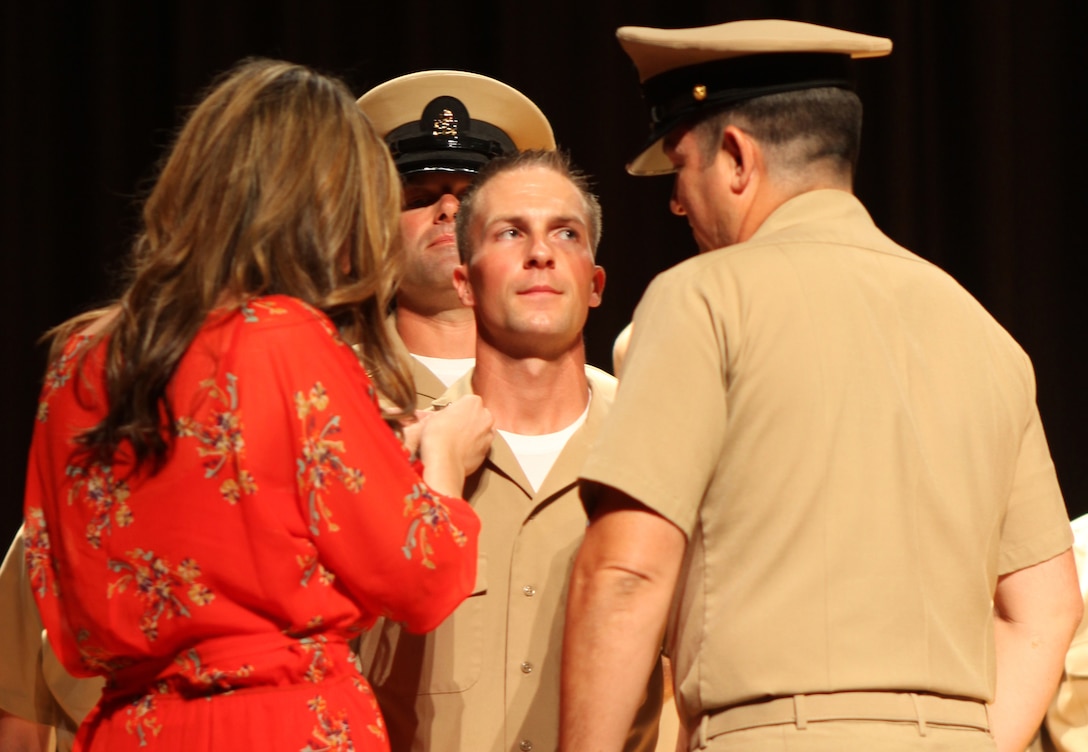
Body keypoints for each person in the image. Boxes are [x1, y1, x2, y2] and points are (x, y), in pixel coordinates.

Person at [560, 19, 1081, 752]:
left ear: (736, 158)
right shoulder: (987, 334)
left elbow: (626, 570)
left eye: (680, 171)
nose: (679, 203)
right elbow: (1046, 609)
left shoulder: (704, 298)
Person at [0, 67, 552, 752]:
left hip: (133, 729)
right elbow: (422, 574)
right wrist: (442, 461)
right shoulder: (288, 343)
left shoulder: (79, 358)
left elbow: (50, 588)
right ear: (321, 203)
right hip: (281, 725)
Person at [359, 149, 662, 752]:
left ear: (596, 284)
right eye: (510, 232)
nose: (540, 253)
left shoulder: (650, 447)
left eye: (565, 233)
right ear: (465, 283)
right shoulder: (390, 453)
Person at [357, 70, 556, 407]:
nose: (449, 208)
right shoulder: (327, 382)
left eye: (471, 198)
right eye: (418, 200)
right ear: (378, 233)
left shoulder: (598, 399)